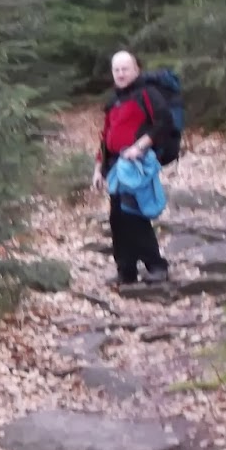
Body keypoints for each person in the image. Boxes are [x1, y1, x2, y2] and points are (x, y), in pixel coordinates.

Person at [92, 49, 171, 286]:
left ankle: (156, 266)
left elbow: (163, 122)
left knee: (134, 215)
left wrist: (140, 146)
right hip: (115, 167)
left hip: (136, 166)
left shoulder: (147, 94)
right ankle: (126, 271)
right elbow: (106, 137)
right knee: (117, 218)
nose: (120, 73)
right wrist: (98, 169)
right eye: (116, 70)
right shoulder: (114, 100)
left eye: (125, 69)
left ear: (136, 69)